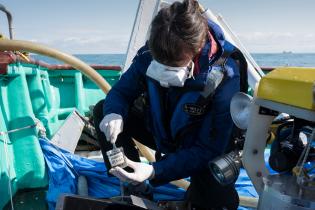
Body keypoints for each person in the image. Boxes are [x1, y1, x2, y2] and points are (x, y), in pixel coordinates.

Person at [93, 0, 247, 209]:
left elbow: (211, 148)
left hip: (200, 147)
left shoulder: (225, 73)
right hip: (162, 130)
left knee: (217, 201)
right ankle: (134, 186)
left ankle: (192, 194)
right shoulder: (149, 54)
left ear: (197, 49)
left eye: (172, 66)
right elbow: (120, 92)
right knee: (103, 109)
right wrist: (114, 114)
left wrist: (154, 170)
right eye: (158, 63)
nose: (163, 73)